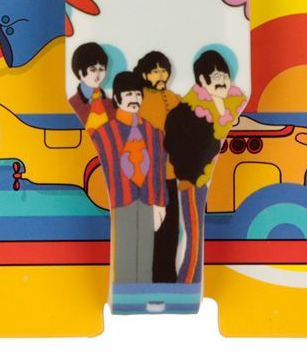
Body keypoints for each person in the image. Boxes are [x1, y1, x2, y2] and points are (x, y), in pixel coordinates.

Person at [165, 50, 246, 284]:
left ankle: (189, 281)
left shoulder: (234, 103)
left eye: (225, 76)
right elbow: (177, 145)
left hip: (216, 179)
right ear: (202, 79)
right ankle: (188, 282)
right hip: (194, 180)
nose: (222, 81)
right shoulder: (189, 110)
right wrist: (186, 175)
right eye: (216, 76)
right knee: (195, 233)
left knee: (200, 232)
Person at [91, 72, 167, 284]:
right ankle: (124, 293)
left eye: (137, 94)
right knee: (124, 251)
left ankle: (142, 292)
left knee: (145, 251)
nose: (134, 98)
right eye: (128, 94)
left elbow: (159, 170)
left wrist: (160, 204)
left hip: (148, 199)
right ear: (117, 98)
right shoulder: (104, 134)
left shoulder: (154, 133)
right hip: (119, 200)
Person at [133, 51, 182, 283]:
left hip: (170, 174)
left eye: (164, 70)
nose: (161, 75)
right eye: (155, 71)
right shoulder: (138, 98)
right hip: (145, 176)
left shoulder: (174, 98)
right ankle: (146, 276)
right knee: (149, 228)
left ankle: (167, 277)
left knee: (170, 229)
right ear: (144, 74)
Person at [69, 42, 113, 133]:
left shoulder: (111, 104)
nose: (98, 75)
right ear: (80, 72)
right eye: (93, 69)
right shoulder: (71, 105)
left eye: (101, 69)